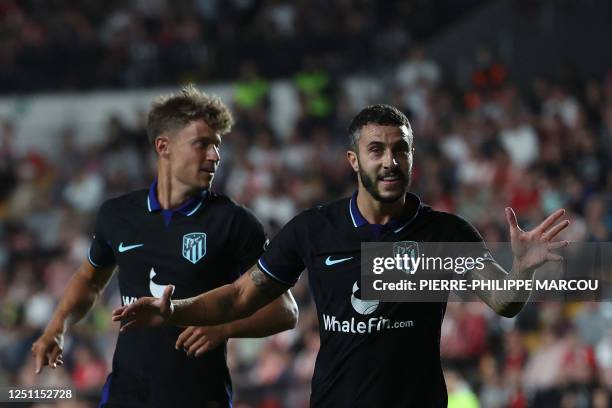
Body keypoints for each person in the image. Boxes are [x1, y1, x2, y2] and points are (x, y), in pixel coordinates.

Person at [113, 104, 569, 407]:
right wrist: (176, 310)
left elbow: (504, 302)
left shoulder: (445, 234)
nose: (389, 161)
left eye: (400, 149)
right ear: (354, 160)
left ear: (412, 158)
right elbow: (239, 297)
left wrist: (523, 271)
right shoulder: (314, 230)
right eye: (376, 150)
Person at [31, 85, 298, 408]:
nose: (215, 156)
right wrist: (57, 326)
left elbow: (284, 310)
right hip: (127, 393)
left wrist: (224, 328)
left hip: (198, 395)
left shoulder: (234, 222)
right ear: (164, 146)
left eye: (217, 145)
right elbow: (89, 279)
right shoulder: (118, 214)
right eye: (202, 144)